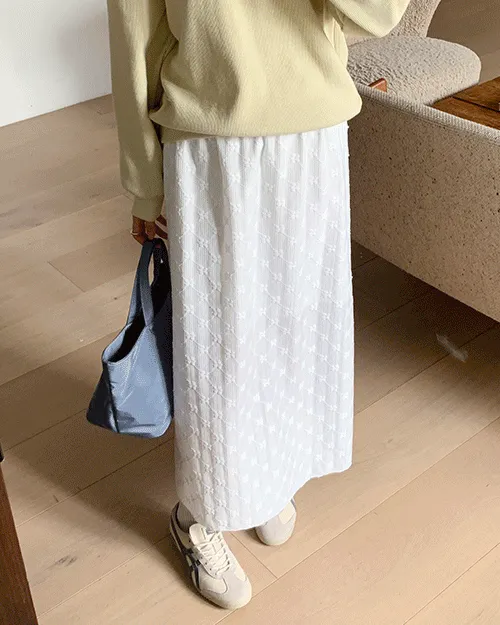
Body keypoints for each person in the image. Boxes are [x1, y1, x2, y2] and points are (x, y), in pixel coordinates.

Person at [106, 0, 410, 610]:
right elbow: (135, 33)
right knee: (219, 340)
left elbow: (379, 14)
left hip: (313, 127)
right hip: (212, 130)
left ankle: (267, 474)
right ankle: (199, 513)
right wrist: (144, 180)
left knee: (297, 325)